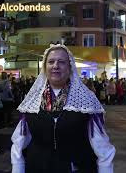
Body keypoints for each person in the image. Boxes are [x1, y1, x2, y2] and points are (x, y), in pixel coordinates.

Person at [10, 44, 115, 173]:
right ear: (45, 67)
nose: (55, 66)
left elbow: (104, 150)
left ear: (70, 67)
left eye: (61, 62)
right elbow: (18, 146)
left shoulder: (86, 99)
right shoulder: (32, 100)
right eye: (51, 62)